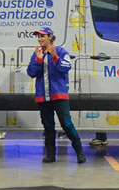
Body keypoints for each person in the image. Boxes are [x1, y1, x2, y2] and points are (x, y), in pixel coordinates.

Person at [27, 26, 86, 164]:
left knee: (66, 124)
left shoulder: (61, 51)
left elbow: (65, 68)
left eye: (43, 36)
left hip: (59, 96)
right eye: (39, 37)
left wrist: (54, 56)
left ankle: (80, 152)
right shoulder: (37, 54)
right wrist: (38, 60)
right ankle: (50, 155)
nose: (40, 39)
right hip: (43, 96)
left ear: (50, 37)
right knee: (48, 127)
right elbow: (31, 72)